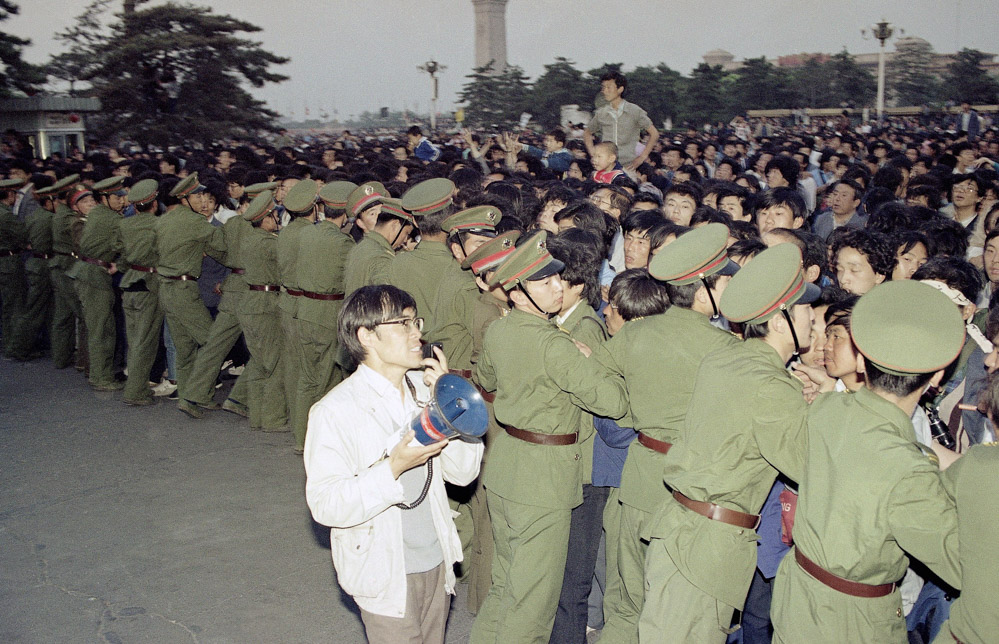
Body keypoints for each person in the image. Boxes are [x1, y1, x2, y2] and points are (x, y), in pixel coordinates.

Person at [638, 243, 820, 642]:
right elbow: (812, 467)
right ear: (778, 321)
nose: (812, 317)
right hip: (708, 547)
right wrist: (830, 405)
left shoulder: (727, 359)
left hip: (680, 530)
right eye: (806, 308)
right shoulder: (771, 386)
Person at [771, 280, 965, 643]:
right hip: (854, 620)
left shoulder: (826, 409)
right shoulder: (909, 470)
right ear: (937, 378)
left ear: (860, 360)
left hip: (796, 595)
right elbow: (959, 564)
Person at [471, 230, 628, 644]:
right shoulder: (556, 346)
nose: (557, 287)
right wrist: (598, 362)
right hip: (545, 481)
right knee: (533, 604)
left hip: (507, 466)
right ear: (518, 293)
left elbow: (486, 379)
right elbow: (612, 400)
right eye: (544, 283)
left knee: (504, 587)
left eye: (558, 278)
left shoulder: (500, 332)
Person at [303, 284, 483, 644]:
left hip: (435, 558)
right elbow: (326, 504)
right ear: (366, 335)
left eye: (415, 321)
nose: (417, 333)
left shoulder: (424, 390)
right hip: (384, 568)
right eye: (403, 324)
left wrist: (449, 403)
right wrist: (392, 468)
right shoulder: (335, 411)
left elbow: (463, 473)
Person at [595, 223, 740, 644]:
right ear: (701, 292)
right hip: (690, 493)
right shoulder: (728, 350)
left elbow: (594, 382)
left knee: (624, 603)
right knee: (670, 616)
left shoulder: (637, 331)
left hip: (639, 478)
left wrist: (630, 413)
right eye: (724, 281)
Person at [156, 172, 228, 418]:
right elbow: (221, 246)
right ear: (185, 199)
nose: (202, 201)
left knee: (185, 346)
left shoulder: (166, 219)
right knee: (211, 343)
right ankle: (195, 396)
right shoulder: (195, 222)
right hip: (185, 289)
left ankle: (193, 395)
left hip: (166, 287)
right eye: (197, 196)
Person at [118, 179, 164, 406]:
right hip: (150, 284)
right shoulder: (159, 225)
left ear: (135, 206)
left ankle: (133, 387)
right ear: (154, 204)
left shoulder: (124, 225)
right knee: (145, 342)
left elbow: (121, 255)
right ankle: (136, 391)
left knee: (134, 339)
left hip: (129, 283)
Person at [584, 71, 659, 172]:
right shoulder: (601, 113)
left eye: (609, 87)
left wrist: (641, 158)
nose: (604, 91)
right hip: (606, 168)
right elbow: (587, 133)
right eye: (603, 87)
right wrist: (594, 154)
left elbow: (654, 134)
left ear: (620, 89)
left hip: (628, 167)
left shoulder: (634, 111)